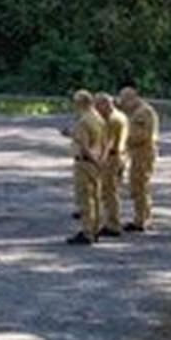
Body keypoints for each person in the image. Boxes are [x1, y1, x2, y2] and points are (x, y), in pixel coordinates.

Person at [67, 90, 108, 245]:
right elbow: (105, 142)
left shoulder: (83, 120)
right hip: (97, 160)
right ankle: (96, 229)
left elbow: (84, 146)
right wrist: (101, 161)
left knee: (84, 197)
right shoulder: (99, 119)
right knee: (96, 198)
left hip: (85, 162)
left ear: (80, 103)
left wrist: (93, 160)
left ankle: (87, 231)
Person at [119, 87, 160, 233]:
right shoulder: (134, 112)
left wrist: (123, 140)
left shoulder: (144, 112)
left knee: (140, 184)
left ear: (133, 98)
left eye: (124, 101)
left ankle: (142, 220)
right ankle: (141, 217)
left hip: (144, 152)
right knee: (136, 185)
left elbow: (142, 135)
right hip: (136, 152)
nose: (122, 104)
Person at [95, 92, 129, 239]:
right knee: (110, 191)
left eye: (97, 105)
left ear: (105, 104)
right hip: (119, 156)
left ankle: (113, 224)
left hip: (112, 158)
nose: (95, 109)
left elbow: (107, 143)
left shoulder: (112, 120)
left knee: (109, 192)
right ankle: (110, 221)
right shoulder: (120, 116)